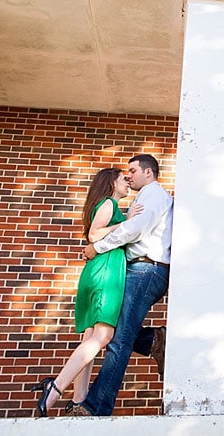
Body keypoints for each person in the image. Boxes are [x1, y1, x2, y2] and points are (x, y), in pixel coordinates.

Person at [31, 167, 140, 417]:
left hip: (97, 270)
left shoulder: (108, 205)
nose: (127, 182)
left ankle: (79, 400)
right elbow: (94, 235)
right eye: (123, 178)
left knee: (90, 337)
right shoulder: (109, 204)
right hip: (105, 272)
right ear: (111, 182)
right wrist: (128, 223)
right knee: (103, 336)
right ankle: (55, 387)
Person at [70, 153, 173, 416]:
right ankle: (153, 340)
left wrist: (98, 247)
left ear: (148, 173)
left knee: (119, 339)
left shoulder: (153, 194)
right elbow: (130, 226)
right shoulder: (142, 198)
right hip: (138, 269)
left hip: (146, 268)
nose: (128, 175)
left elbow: (135, 230)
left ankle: (95, 407)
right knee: (114, 330)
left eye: (132, 170)